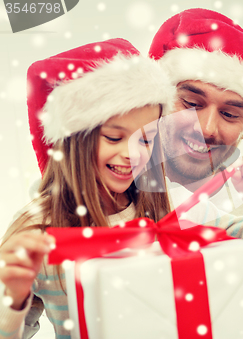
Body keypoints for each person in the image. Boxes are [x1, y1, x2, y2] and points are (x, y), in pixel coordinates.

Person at [0, 39, 175, 338]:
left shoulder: (152, 204)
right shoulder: (37, 229)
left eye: (145, 140)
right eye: (113, 137)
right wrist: (12, 300)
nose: (133, 154)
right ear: (75, 141)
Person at [149, 8, 243, 238]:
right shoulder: (108, 190)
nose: (206, 129)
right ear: (155, 103)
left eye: (229, 114)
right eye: (191, 103)